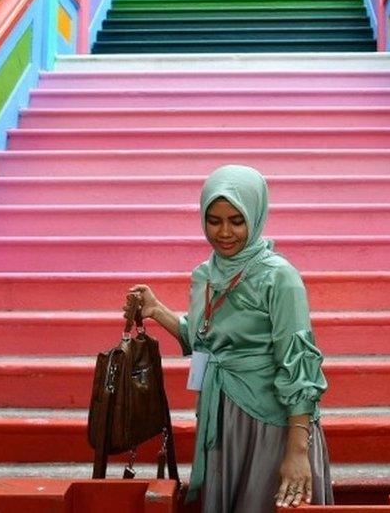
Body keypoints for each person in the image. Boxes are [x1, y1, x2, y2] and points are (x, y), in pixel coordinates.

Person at [130, 165, 333, 512]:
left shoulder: (279, 278)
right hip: (222, 419)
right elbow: (206, 340)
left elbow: (298, 363)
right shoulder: (205, 275)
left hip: (271, 425)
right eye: (214, 220)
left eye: (236, 221)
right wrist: (157, 310)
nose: (225, 232)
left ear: (255, 215)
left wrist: (297, 452)